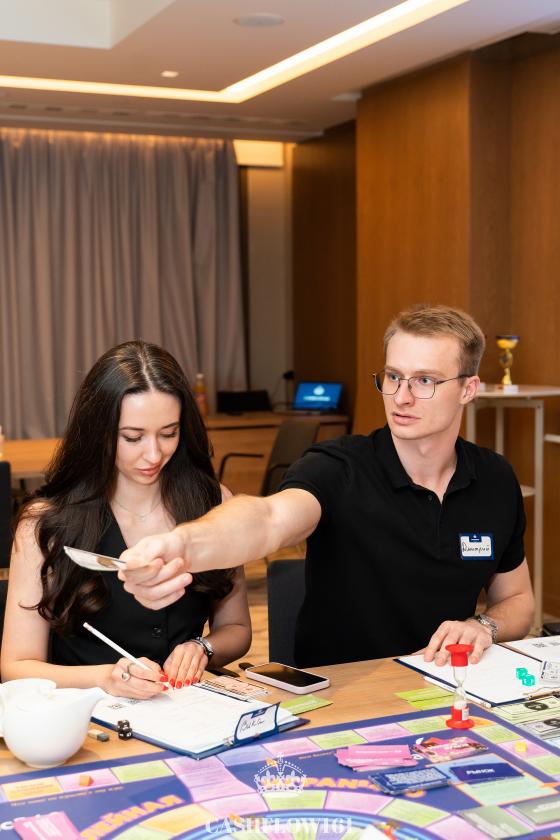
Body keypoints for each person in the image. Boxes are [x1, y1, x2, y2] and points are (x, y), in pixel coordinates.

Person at [118, 306, 534, 668]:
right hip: (344, 693)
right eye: (393, 376)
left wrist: (484, 625)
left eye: (424, 381)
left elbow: (517, 600)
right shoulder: (337, 467)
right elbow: (268, 519)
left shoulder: (494, 479)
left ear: (468, 389)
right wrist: (181, 544)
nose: (401, 397)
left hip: (445, 687)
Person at [1, 341, 251, 697]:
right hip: (88, 716)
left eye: (169, 433)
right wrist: (106, 678)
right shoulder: (45, 524)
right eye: (133, 438)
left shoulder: (213, 504)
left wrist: (203, 648)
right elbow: (17, 667)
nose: (154, 454)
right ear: (98, 432)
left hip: (186, 708)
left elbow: (237, 627)